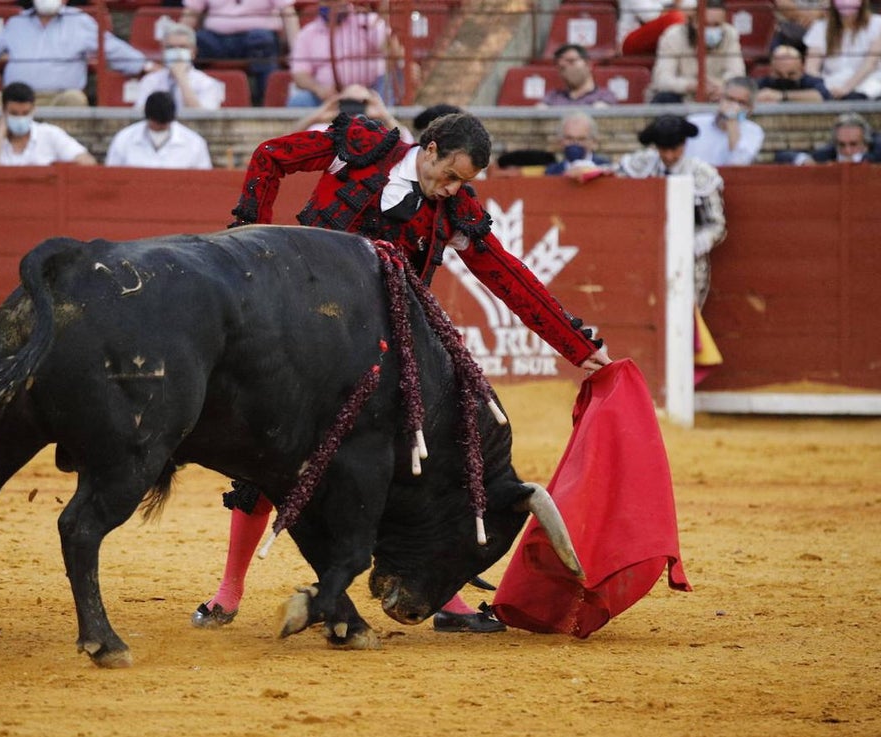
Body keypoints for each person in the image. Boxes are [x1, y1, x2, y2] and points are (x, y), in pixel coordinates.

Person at [194, 112, 613, 633]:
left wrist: (574, 344)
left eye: (463, 183)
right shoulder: (362, 146)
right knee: (273, 452)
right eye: (450, 175)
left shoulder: (455, 208)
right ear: (430, 148)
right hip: (307, 333)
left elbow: (505, 274)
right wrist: (249, 238)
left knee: (417, 456)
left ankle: (445, 597)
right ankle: (228, 592)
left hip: (381, 345)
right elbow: (270, 157)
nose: (452, 190)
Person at [0, 0, 153, 107]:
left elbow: (112, 48)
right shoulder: (17, 22)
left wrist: (147, 66)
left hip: (59, 98)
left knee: (75, 100)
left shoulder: (80, 22)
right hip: (16, 100)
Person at [617, 115, 726, 307]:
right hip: (644, 256)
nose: (668, 156)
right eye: (663, 149)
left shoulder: (701, 173)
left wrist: (691, 245)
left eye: (674, 149)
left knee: (684, 316)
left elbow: (716, 225)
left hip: (688, 261)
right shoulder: (641, 164)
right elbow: (609, 179)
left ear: (684, 144)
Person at [180, 0, 300, 107]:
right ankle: (192, 100)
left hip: (256, 38)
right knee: (197, 42)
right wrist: (177, 48)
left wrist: (296, 51)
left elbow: (288, 13)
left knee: (262, 40)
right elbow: (191, 14)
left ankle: (266, 103)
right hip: (216, 39)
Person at [288, 1, 399, 107]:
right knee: (299, 101)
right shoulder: (307, 34)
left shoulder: (368, 21)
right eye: (326, 1)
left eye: (337, 0)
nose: (332, 5)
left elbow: (392, 54)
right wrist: (319, 88)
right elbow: (299, 75)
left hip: (369, 92)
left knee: (390, 82)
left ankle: (379, 122)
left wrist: (387, 31)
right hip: (327, 99)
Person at [649, 0, 745, 103]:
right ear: (694, 21)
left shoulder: (730, 34)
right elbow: (662, 80)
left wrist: (718, 87)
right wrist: (693, 86)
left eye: (716, 25)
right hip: (682, 98)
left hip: (718, 97)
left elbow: (737, 74)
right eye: (706, 24)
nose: (711, 30)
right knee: (664, 98)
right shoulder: (672, 36)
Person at [0, 82, 96, 166]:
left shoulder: (51, 134)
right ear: (4, 111)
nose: (20, 118)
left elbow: (87, 162)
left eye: (25, 113)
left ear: (33, 110)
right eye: (14, 113)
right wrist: (1, 133)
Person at [803, 0, 881, 100]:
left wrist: (846, 89)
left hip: (869, 83)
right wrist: (823, 88)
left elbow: (870, 64)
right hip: (832, 85)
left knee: (856, 97)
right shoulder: (820, 27)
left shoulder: (878, 23)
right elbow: (811, 68)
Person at [105, 91, 213, 169]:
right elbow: (112, 177)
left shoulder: (194, 143)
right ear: (148, 118)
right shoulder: (124, 138)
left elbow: (203, 181)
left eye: (164, 123)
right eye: (157, 122)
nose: (160, 126)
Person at [132, 22, 225, 112]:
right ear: (163, 51)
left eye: (183, 47)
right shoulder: (150, 81)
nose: (177, 52)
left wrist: (181, 77)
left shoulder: (207, 84)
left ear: (193, 52)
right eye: (170, 47)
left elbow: (204, 120)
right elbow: (139, 115)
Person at [684, 76, 765, 166]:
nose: (733, 106)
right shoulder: (695, 122)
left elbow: (738, 163)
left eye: (741, 103)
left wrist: (731, 119)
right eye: (729, 99)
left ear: (750, 109)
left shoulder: (753, 131)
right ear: (720, 98)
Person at [292, 83, 412, 140]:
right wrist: (320, 114)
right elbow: (292, 139)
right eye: (349, 102)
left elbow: (407, 143)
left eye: (361, 103)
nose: (354, 110)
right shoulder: (324, 129)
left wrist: (384, 116)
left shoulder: (382, 131)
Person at [782, 112, 881, 163]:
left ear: (866, 143)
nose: (847, 151)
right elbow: (783, 156)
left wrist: (863, 159)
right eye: (842, 145)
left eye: (853, 144)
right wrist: (804, 160)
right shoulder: (829, 152)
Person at [541, 44, 619, 107]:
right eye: (561, 67)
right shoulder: (552, 97)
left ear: (588, 64)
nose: (567, 69)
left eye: (571, 61)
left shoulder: (604, 97)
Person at [754, 44, 831, 103]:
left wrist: (782, 96)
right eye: (778, 74)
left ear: (802, 69)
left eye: (791, 74)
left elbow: (821, 96)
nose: (785, 77)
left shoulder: (812, 81)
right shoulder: (762, 83)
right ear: (771, 70)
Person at [544, 111, 614, 178]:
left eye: (581, 139)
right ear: (561, 141)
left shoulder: (607, 169)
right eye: (569, 138)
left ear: (593, 142)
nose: (575, 143)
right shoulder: (551, 172)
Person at [617, 0, 688, 56]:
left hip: (651, 39)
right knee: (676, 18)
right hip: (628, 41)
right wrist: (676, 6)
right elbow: (650, 16)